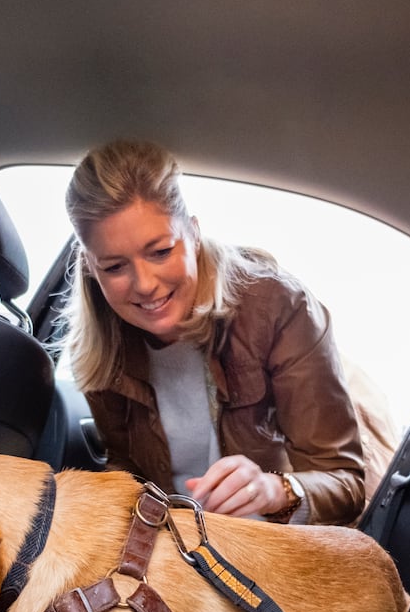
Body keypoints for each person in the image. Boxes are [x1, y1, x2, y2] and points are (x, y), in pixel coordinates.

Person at [59, 138, 384, 525]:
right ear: (91, 268)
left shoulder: (277, 306)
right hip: (179, 549)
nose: (144, 284)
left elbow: (345, 484)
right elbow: (126, 472)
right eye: (114, 267)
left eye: (160, 251)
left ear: (193, 234)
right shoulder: (101, 349)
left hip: (281, 543)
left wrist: (272, 490)